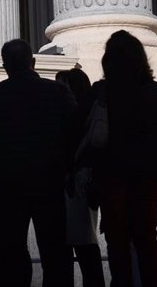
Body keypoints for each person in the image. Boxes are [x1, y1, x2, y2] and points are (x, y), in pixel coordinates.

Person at [0, 38, 76, 287]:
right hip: (49, 182)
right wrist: (67, 169)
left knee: (11, 253)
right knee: (55, 252)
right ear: (33, 62)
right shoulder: (57, 92)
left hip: (6, 185)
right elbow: (74, 133)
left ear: (4, 66)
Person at [91, 30, 157, 287]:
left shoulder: (100, 91)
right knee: (146, 243)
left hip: (111, 175)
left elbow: (85, 132)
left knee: (117, 243)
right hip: (147, 175)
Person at [55, 68, 105, 287]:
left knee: (83, 244)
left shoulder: (80, 117)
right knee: (82, 243)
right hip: (74, 183)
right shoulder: (82, 114)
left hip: (76, 183)